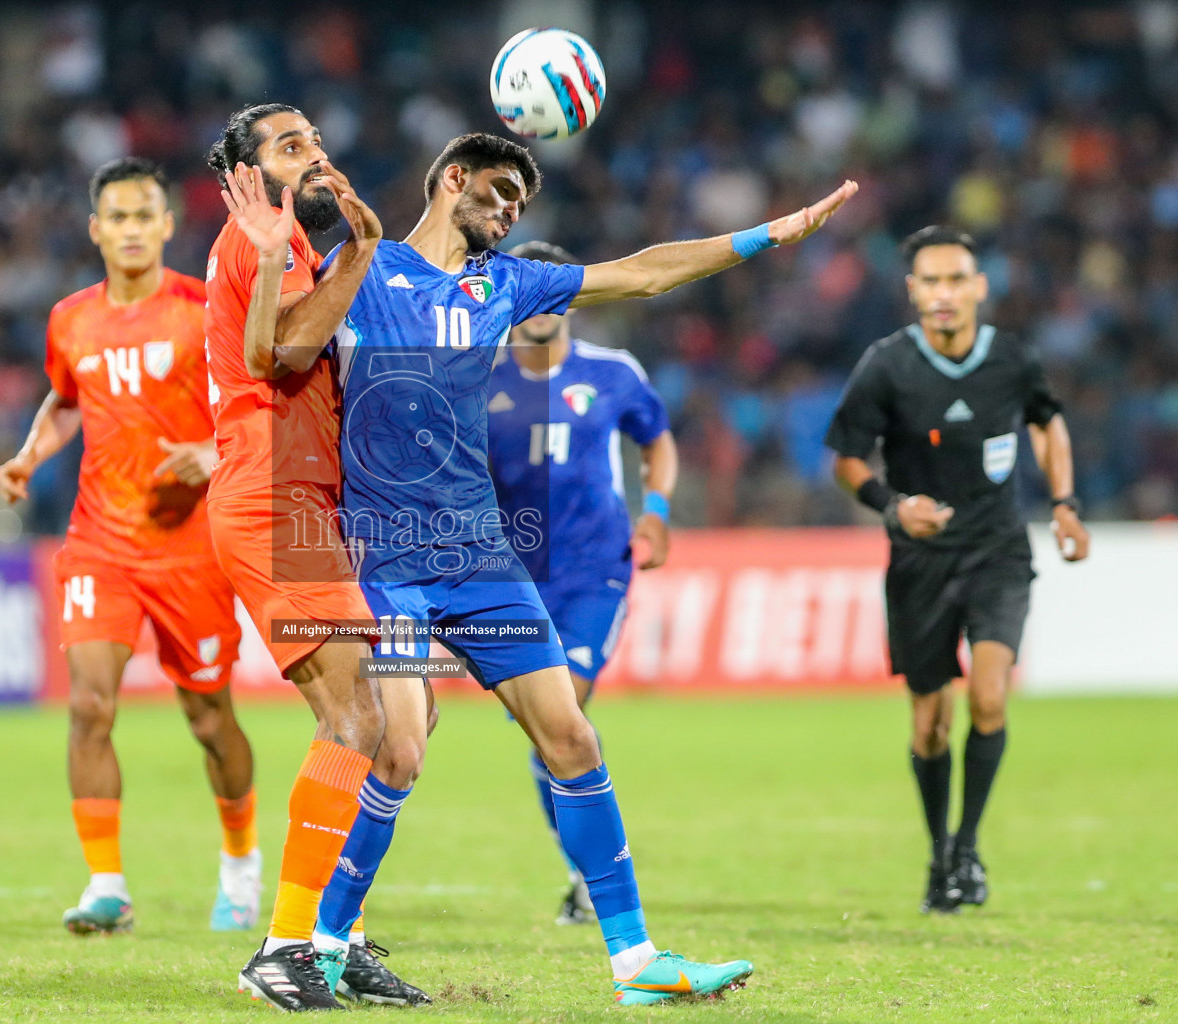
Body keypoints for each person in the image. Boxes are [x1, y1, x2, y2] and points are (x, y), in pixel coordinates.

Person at [232, 130, 855, 1006]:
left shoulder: (507, 283)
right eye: (497, 193)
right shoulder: (363, 266)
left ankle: (638, 964)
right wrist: (289, 265)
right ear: (452, 181)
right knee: (398, 747)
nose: (510, 211)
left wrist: (769, 234)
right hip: (383, 557)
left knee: (572, 737)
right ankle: (321, 943)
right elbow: (281, 355)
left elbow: (642, 272)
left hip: (482, 558)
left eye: (521, 202)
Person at [0, 158, 259, 936]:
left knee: (209, 719)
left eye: (147, 214)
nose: (134, 229)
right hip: (99, 542)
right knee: (88, 706)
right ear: (96, 230)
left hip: (191, 547)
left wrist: (215, 454)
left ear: (168, 224)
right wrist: (28, 454)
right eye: (119, 216)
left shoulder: (207, 309)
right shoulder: (70, 318)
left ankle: (239, 865)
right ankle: (106, 884)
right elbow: (66, 398)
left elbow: (256, 405)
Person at [203, 104, 426, 1010]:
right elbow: (281, 353)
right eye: (293, 148)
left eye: (319, 141)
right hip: (269, 502)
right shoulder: (261, 240)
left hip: (301, 504)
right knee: (357, 721)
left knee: (387, 729)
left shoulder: (289, 246)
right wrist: (364, 255)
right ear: (251, 175)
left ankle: (337, 938)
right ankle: (290, 944)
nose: (320, 156)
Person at [824, 225, 1091, 913]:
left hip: (999, 551)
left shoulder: (1012, 359)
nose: (944, 294)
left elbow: (1047, 420)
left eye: (956, 279)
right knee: (930, 725)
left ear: (979, 286)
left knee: (992, 698)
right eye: (931, 282)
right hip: (920, 562)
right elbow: (848, 458)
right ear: (913, 292)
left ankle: (967, 849)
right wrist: (892, 505)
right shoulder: (885, 365)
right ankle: (938, 851)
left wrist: (1063, 502)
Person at [485, 240, 677, 927]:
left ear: (565, 298)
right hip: (510, 577)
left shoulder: (612, 372)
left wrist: (654, 514)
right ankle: (581, 866)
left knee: (567, 703)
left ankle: (586, 875)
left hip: (596, 568)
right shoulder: (477, 375)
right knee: (547, 729)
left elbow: (656, 438)